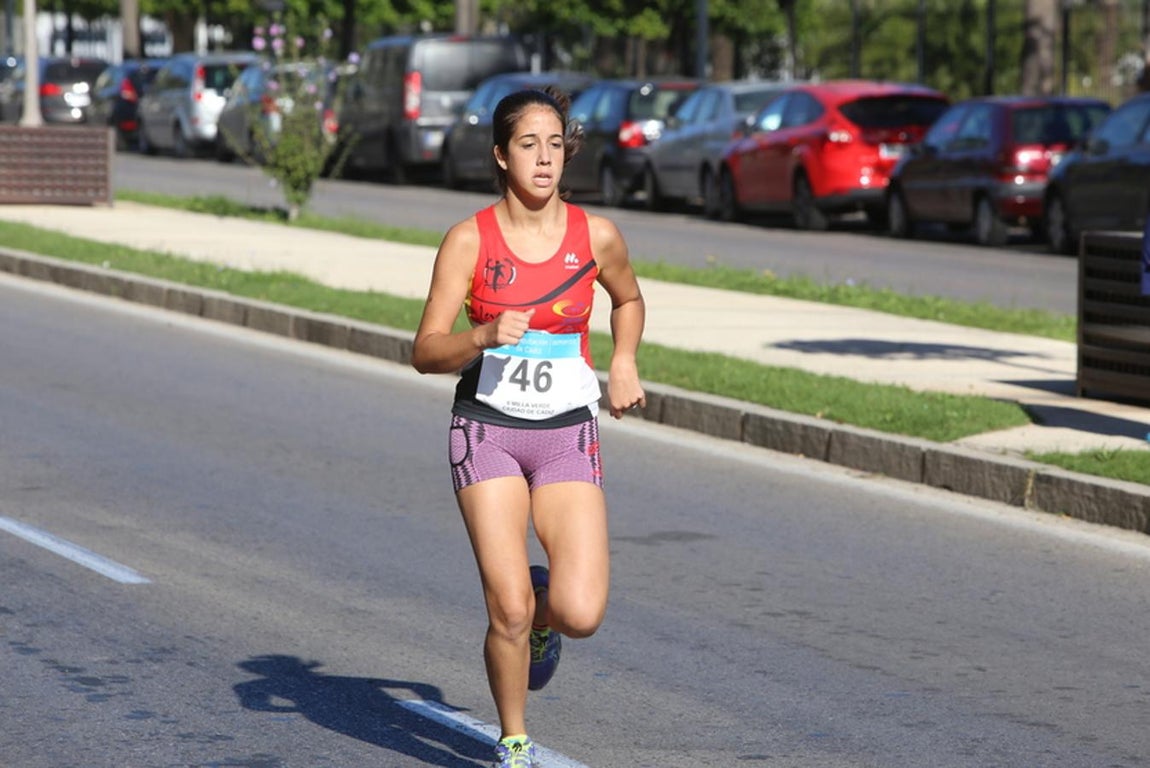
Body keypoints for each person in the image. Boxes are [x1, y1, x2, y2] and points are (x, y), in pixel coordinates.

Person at [411, 85, 646, 767]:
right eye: (528, 145)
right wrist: (480, 333)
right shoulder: (469, 240)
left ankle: (548, 612)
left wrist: (624, 360)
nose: (545, 159)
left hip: (566, 429)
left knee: (579, 612)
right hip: (487, 430)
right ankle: (514, 738)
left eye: (554, 145)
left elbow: (628, 299)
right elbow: (426, 349)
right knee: (506, 606)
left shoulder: (595, 236)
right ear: (500, 156)